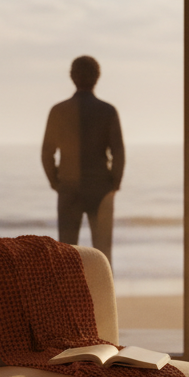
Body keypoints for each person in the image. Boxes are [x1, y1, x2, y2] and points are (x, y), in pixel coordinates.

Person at [41, 56, 124, 262]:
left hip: (69, 187)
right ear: (97, 77)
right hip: (100, 188)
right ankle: (104, 294)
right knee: (103, 254)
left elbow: (47, 153)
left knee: (66, 255)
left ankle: (68, 295)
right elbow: (118, 153)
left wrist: (55, 182)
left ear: (71, 76)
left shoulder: (59, 110)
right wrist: (115, 183)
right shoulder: (107, 111)